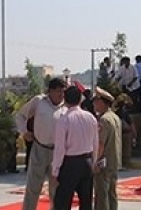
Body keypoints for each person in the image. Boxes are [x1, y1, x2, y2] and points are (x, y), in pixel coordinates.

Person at [15, 78, 66, 210]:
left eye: (63, 91)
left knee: (56, 189)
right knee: (33, 187)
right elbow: (20, 116)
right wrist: (24, 132)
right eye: (58, 91)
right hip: (40, 149)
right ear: (50, 91)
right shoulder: (39, 101)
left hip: (58, 152)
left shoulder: (66, 106)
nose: (61, 94)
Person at [52, 86, 98, 210]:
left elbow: (60, 148)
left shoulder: (64, 120)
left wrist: (55, 169)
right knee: (86, 201)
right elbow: (95, 143)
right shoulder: (91, 117)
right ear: (80, 100)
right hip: (87, 161)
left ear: (65, 101)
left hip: (70, 163)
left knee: (62, 200)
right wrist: (93, 161)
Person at [93, 87, 121, 210]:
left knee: (102, 196)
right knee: (112, 194)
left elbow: (100, 144)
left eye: (96, 101)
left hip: (103, 163)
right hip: (114, 161)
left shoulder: (104, 120)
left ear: (103, 102)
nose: (94, 104)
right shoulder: (115, 117)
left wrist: (95, 161)